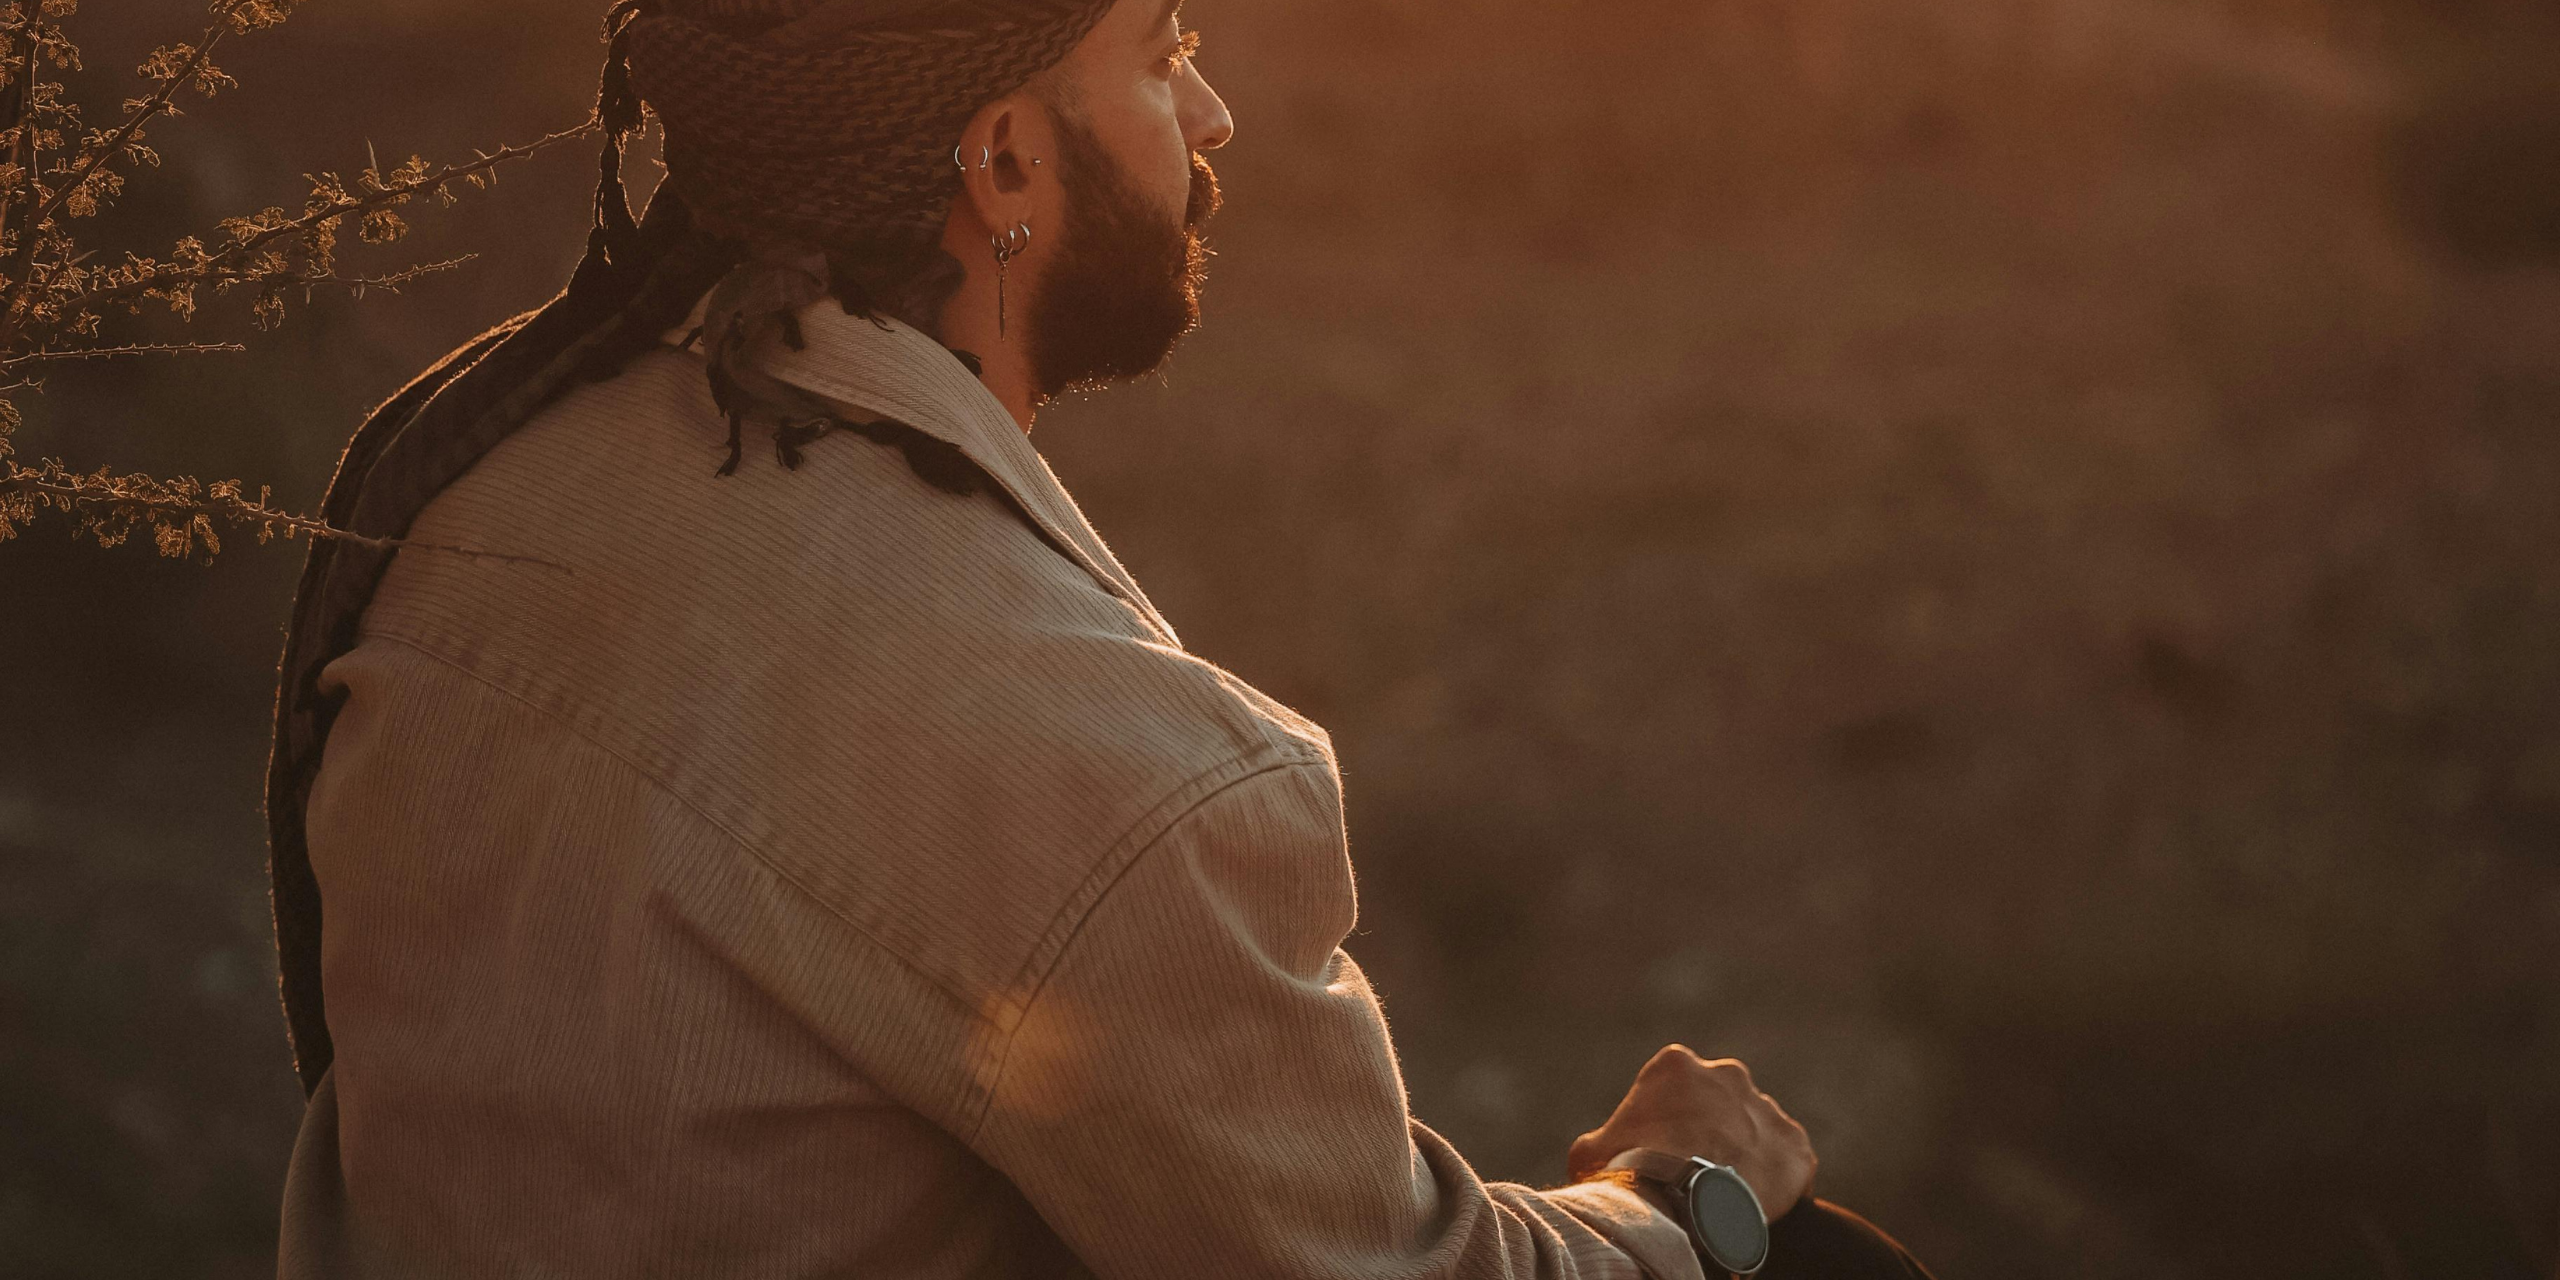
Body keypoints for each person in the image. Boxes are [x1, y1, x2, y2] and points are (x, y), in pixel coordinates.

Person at [263, 0, 1940, 1276]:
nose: (1211, 112)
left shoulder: (470, 501)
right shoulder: (1097, 759)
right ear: (1001, 163)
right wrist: (1676, 1201)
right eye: (1159, 55)